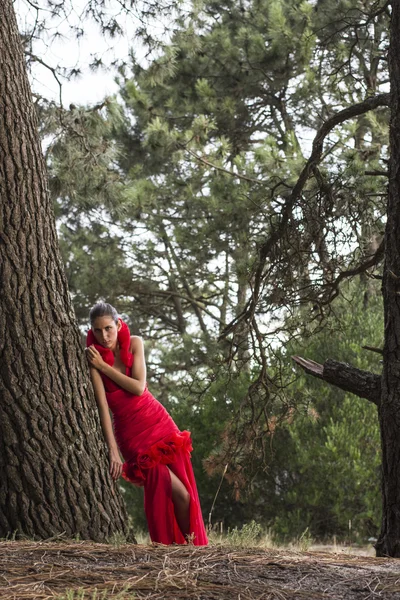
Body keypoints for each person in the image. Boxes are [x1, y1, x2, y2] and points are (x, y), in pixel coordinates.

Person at [85, 302, 208, 546]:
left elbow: (139, 387)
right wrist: (113, 450)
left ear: (118, 324)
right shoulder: (93, 358)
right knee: (177, 494)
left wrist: (103, 367)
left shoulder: (134, 343)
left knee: (186, 495)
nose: (104, 336)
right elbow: (103, 409)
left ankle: (193, 550)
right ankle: (180, 548)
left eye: (109, 328)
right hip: (133, 436)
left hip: (159, 422)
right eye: (97, 331)